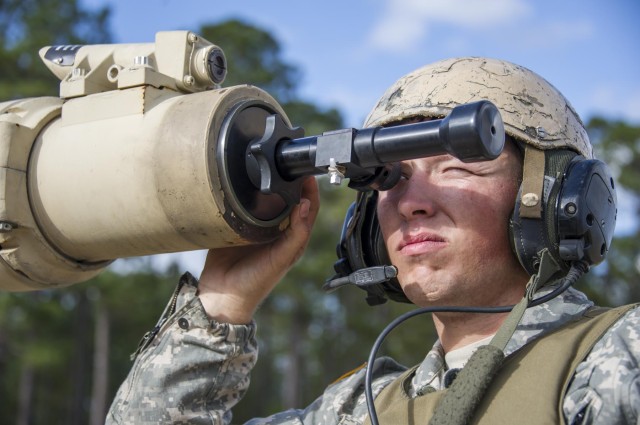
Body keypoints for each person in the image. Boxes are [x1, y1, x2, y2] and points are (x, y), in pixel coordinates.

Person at [106, 57, 639, 425]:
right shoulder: (359, 408)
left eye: (456, 166)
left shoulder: (618, 357)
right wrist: (220, 308)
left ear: (556, 199)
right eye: (391, 177)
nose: (413, 202)